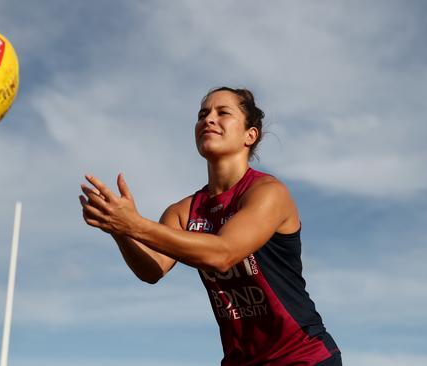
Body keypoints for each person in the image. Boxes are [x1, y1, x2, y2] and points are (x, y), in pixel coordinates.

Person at [79, 87, 341, 365]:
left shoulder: (267, 192)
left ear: (249, 135)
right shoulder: (184, 210)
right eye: (203, 114)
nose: (208, 119)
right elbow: (152, 269)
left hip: (302, 356)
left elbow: (222, 254)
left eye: (222, 113)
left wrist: (134, 224)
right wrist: (120, 230)